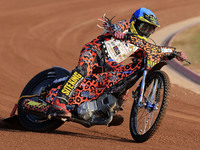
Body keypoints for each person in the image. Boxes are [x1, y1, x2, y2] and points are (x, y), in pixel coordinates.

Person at [50, 7, 186, 119]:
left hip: (109, 64)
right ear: (135, 22)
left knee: (125, 78)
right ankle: (59, 101)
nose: (146, 32)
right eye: (144, 27)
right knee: (83, 70)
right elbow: (114, 27)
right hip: (95, 50)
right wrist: (117, 32)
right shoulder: (125, 26)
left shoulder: (137, 45)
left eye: (150, 29)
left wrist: (173, 53)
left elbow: (148, 54)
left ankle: (108, 109)